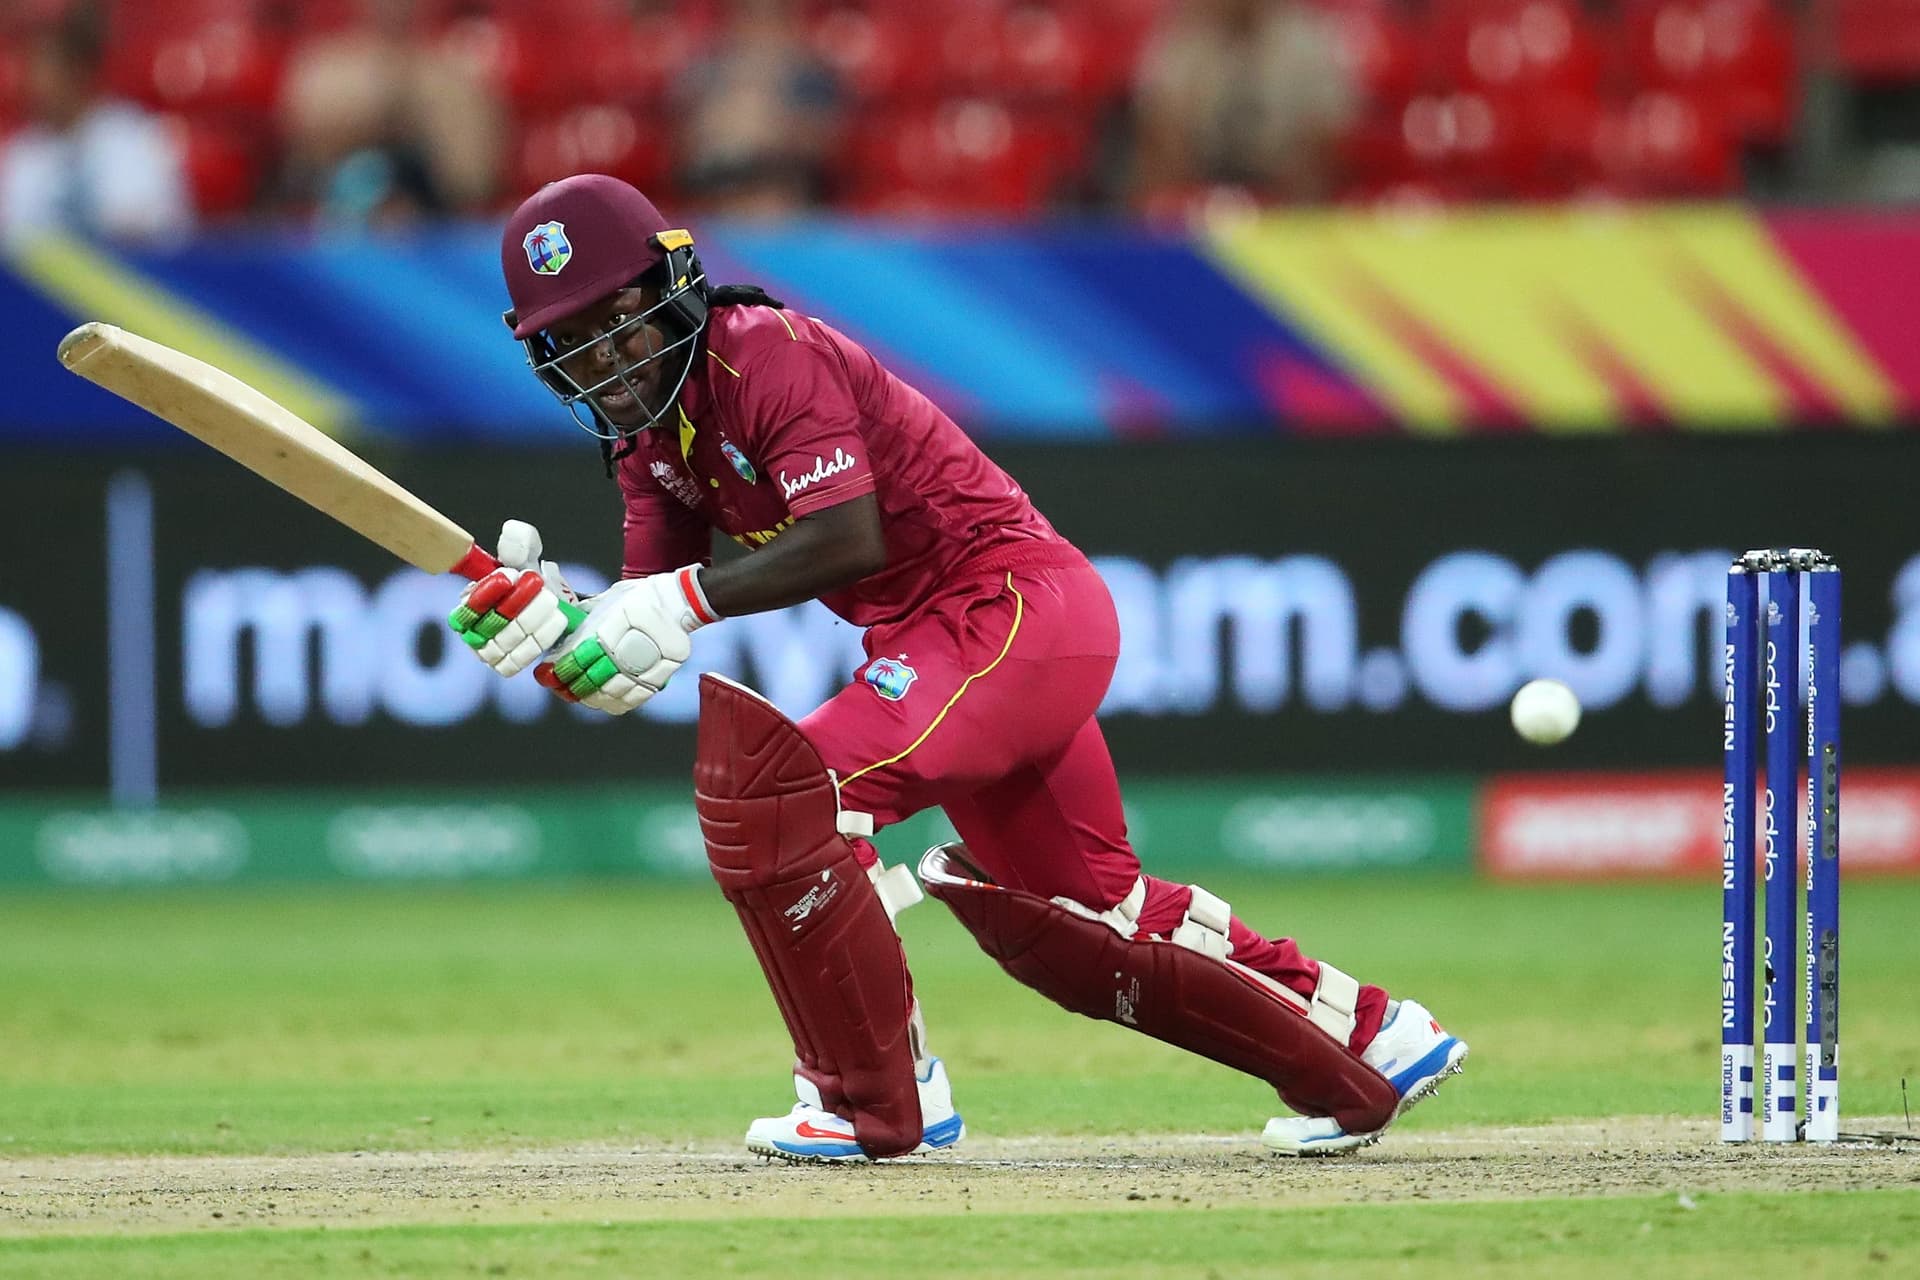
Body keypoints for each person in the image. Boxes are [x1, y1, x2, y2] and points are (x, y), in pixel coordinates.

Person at [456, 173, 1467, 1162]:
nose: (609, 362)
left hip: (1011, 608)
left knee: (786, 794)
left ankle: (871, 1100)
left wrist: (670, 603)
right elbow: (649, 621)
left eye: (621, 323)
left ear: (674, 289)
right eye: (574, 345)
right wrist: (562, 624)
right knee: (1087, 926)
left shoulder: (765, 353)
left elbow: (840, 539)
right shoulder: (645, 440)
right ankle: (1371, 1036)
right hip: (958, 644)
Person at [0, 12, 194, 243]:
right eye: (31, 72)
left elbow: (162, 232)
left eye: (46, 71)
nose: (35, 85)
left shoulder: (136, 140)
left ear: (78, 71)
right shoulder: (23, 156)